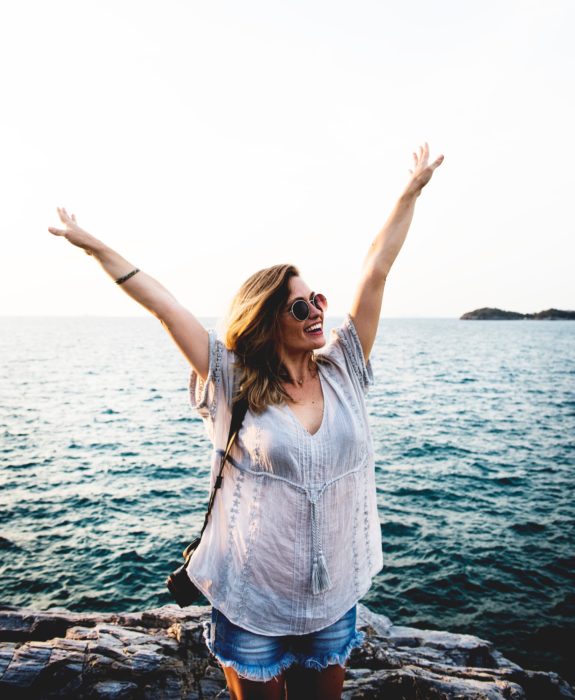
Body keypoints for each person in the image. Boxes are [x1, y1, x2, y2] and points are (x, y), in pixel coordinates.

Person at [48, 143, 443, 699]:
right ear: (266, 320)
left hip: (330, 602)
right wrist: (92, 246)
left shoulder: (344, 366)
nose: (315, 313)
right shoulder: (233, 379)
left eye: (316, 301)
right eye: (298, 307)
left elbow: (375, 269)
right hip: (252, 600)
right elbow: (165, 305)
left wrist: (411, 190)